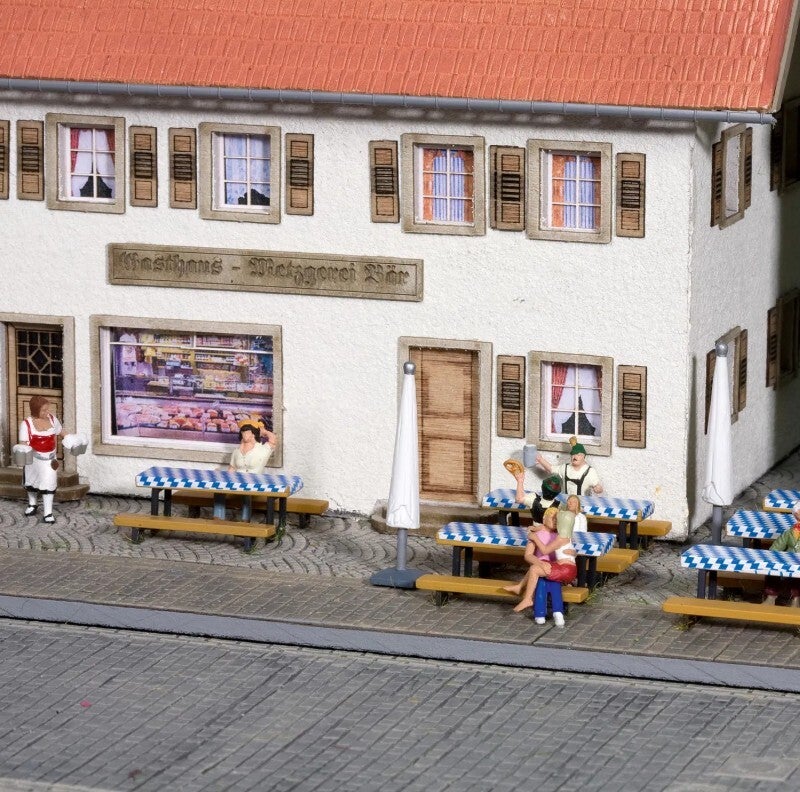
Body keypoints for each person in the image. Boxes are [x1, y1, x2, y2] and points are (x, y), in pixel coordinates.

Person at [503, 508, 577, 625]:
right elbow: (528, 555)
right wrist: (540, 562)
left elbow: (568, 549)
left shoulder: (560, 535)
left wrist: (573, 553)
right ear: (544, 519)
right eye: (552, 517)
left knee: (552, 584)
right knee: (540, 583)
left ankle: (553, 611)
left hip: (555, 568)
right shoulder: (537, 534)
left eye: (557, 518)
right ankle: (539, 613)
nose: (555, 520)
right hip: (546, 567)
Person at [18, 396, 66, 524]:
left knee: (49, 483)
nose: (47, 412)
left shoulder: (52, 419)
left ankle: (48, 512)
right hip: (33, 459)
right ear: (35, 410)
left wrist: (71, 439)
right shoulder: (26, 424)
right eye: (43, 410)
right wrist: (23, 452)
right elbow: (23, 443)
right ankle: (32, 504)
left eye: (47, 409)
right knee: (31, 482)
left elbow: (61, 432)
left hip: (49, 459)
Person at [536, 435, 603, 496]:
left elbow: (598, 487)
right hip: (566, 501)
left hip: (582, 503)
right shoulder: (565, 468)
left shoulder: (590, 471)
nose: (575, 457)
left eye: (578, 455)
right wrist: (540, 459)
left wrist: (598, 489)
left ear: (584, 456)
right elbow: (551, 469)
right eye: (573, 454)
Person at [764, 501, 800, 606]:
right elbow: (777, 546)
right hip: (789, 560)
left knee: (798, 578)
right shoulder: (790, 532)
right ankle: (771, 596)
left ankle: (796, 599)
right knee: (772, 569)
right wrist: (772, 556)